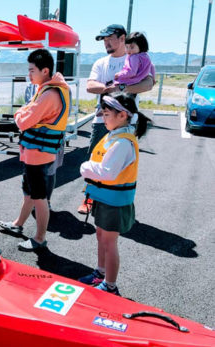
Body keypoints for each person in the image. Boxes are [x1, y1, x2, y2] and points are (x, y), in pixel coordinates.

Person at [78, 92, 151, 295]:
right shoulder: (114, 136)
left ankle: (110, 285)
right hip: (105, 198)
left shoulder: (122, 142)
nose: (103, 117)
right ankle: (100, 273)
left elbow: (107, 173)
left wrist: (85, 167)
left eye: (107, 113)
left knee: (109, 242)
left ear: (122, 115)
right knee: (101, 236)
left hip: (114, 202)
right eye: (102, 113)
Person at [0, 49, 70, 252]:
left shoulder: (49, 94)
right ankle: (18, 224)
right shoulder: (50, 89)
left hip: (39, 154)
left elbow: (24, 120)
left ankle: (39, 238)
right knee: (30, 192)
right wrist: (25, 111)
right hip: (36, 152)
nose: (29, 75)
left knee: (39, 197)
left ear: (45, 70)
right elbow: (29, 113)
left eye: (32, 71)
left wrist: (20, 112)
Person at [77, 24, 154, 215]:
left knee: (123, 164)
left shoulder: (138, 59)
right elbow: (90, 86)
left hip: (128, 122)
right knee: (95, 158)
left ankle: (120, 201)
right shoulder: (101, 63)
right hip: (101, 121)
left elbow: (148, 83)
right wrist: (111, 88)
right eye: (104, 40)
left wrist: (118, 89)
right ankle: (89, 198)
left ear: (123, 39)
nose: (106, 43)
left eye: (110, 39)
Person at [24, 83, 65, 217]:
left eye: (33, 70)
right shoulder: (31, 87)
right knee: (33, 174)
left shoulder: (57, 89)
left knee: (49, 172)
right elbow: (28, 109)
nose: (30, 74)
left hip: (49, 138)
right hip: (36, 138)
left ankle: (45, 203)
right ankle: (35, 205)